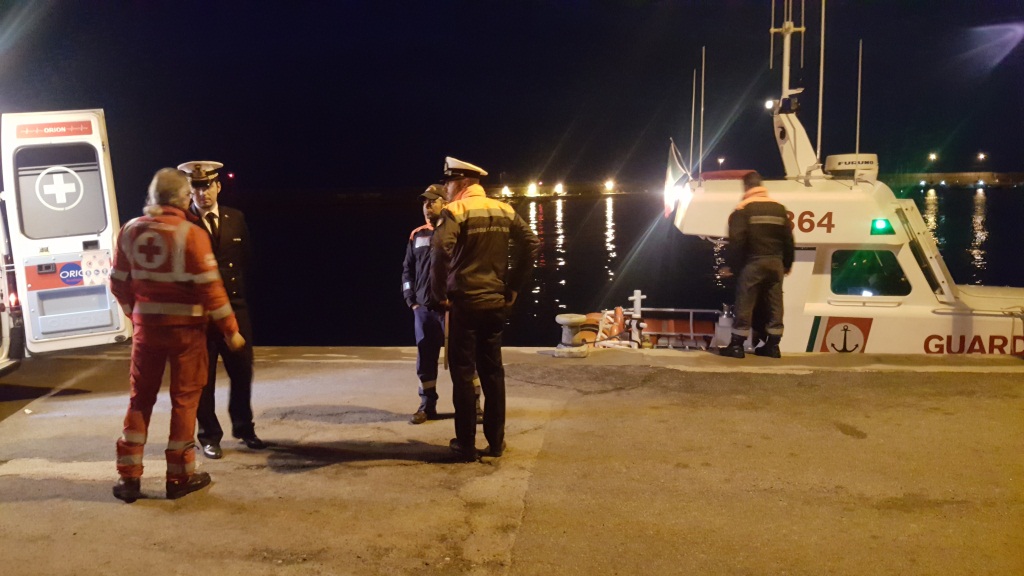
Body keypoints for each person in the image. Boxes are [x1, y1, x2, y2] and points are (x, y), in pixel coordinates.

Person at [110, 168, 245, 503]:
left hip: (147, 333)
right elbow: (212, 290)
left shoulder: (129, 230)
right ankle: (179, 476)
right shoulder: (191, 234)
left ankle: (128, 477)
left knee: (140, 399)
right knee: (184, 402)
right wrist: (231, 331)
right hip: (186, 335)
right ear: (183, 198)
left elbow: (117, 282)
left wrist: (134, 313)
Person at [431, 157, 540, 461]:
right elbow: (532, 243)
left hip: (464, 304)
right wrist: (513, 287)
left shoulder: (456, 210)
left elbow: (439, 249)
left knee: (464, 375)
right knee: (493, 373)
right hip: (495, 303)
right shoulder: (504, 209)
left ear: (463, 183)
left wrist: (438, 295)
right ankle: (495, 442)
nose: (446, 188)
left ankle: (466, 445)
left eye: (449, 182)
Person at [178, 161, 266, 458]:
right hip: (200, 314)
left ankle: (244, 428)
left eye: (207, 187)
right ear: (189, 191)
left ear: (218, 186)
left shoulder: (235, 218)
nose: (202, 193)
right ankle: (209, 436)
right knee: (204, 379)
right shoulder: (184, 222)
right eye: (196, 188)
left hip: (234, 307)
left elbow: (246, 260)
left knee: (242, 371)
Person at [401, 184, 483, 425]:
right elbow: (407, 270)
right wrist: (411, 300)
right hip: (424, 310)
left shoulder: (456, 232)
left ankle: (473, 406)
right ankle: (427, 406)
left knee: (465, 358)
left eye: (432, 201)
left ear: (445, 204)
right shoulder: (417, 235)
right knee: (425, 359)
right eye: (424, 203)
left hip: (452, 309)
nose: (426, 207)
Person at [720, 171, 794, 359]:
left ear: (746, 187)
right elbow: (788, 240)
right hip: (776, 263)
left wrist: (732, 266)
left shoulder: (743, 209)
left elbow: (736, 241)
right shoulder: (779, 208)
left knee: (745, 301)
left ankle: (737, 346)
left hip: (753, 262)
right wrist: (787, 264)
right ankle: (773, 346)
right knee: (775, 302)